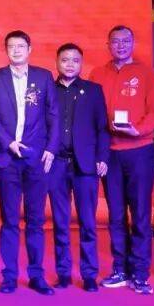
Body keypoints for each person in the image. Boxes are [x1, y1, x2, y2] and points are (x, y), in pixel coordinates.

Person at [0, 30, 60, 295]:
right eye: (11, 46)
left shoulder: (43, 77)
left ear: (30, 49)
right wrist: (8, 142)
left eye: (20, 46)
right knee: (10, 220)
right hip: (7, 157)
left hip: (37, 157)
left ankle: (37, 275)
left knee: (36, 220)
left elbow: (53, 114)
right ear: (6, 50)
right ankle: (10, 276)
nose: (16, 50)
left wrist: (51, 148)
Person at [89, 25, 154, 295]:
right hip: (110, 153)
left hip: (140, 150)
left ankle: (140, 273)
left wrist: (139, 130)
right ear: (108, 45)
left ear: (133, 43)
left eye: (126, 41)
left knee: (141, 214)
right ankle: (120, 268)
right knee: (116, 214)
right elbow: (92, 112)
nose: (120, 45)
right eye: (115, 41)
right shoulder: (98, 73)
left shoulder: (147, 73)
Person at [47, 43, 109, 293]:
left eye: (75, 60)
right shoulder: (48, 89)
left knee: (88, 222)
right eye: (65, 60)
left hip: (85, 166)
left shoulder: (93, 91)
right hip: (56, 165)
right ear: (57, 62)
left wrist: (102, 157)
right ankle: (63, 273)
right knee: (60, 222)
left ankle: (89, 274)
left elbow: (102, 128)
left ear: (81, 63)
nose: (70, 64)